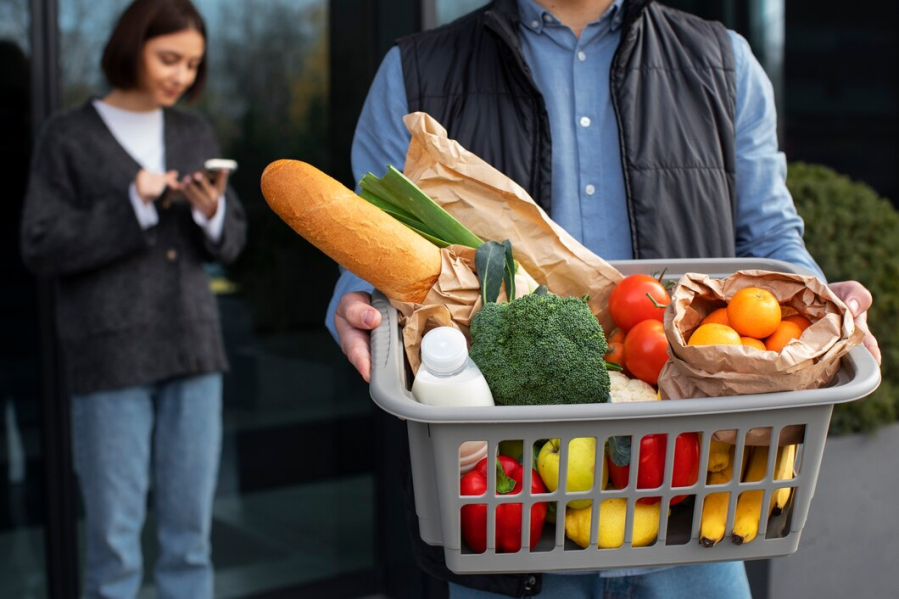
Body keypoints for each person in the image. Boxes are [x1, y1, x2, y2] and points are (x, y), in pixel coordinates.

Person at [327, 0, 880, 597]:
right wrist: (359, 301)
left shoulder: (725, 63)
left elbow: (770, 238)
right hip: (511, 520)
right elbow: (374, 250)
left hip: (695, 517)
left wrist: (817, 304)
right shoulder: (415, 72)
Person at [20, 0, 246, 597]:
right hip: (111, 361)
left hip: (194, 354)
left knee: (190, 545)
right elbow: (39, 245)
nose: (181, 75)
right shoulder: (67, 135)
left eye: (193, 64)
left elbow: (231, 242)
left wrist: (212, 211)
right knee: (115, 550)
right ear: (131, 47)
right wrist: (135, 202)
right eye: (168, 58)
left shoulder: (194, 131)